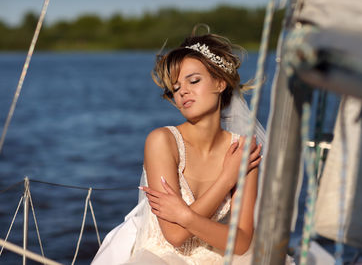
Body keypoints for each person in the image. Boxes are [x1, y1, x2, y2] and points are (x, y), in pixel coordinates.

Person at [92, 25, 265, 265]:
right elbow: (174, 235)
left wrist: (184, 215)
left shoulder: (243, 152)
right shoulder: (162, 141)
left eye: (193, 81)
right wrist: (227, 179)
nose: (183, 91)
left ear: (220, 83)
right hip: (162, 257)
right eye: (175, 88)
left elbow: (242, 241)